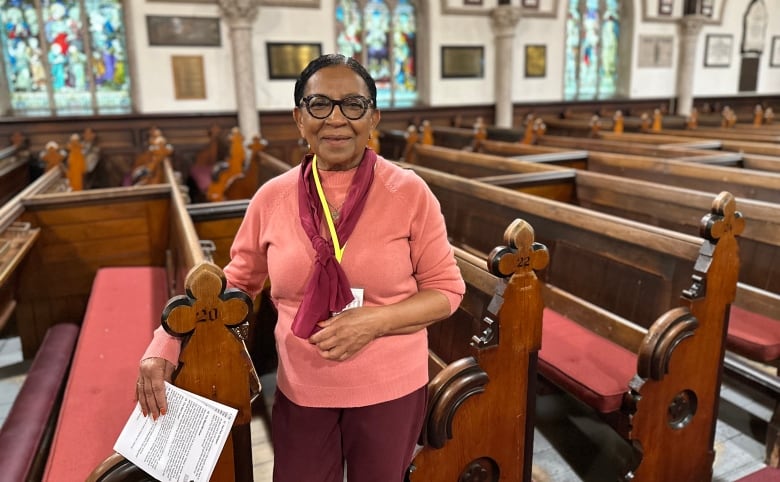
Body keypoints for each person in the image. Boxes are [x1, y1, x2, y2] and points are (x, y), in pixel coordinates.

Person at [135, 53, 465, 482]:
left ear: (373, 118)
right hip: (302, 384)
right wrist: (165, 342)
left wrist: (375, 322)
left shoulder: (407, 192)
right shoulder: (272, 198)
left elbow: (447, 291)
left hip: (391, 385)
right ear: (298, 117)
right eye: (319, 104)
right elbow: (235, 283)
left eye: (353, 104)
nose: (336, 119)